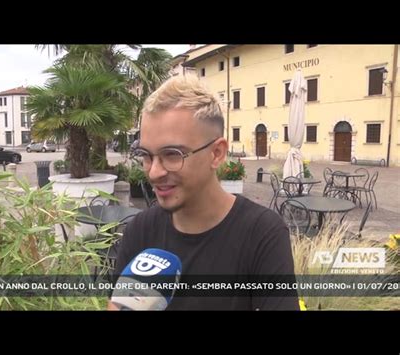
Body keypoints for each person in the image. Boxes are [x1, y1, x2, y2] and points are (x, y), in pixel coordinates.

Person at [109, 75, 299, 310]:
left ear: (217, 153)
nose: (154, 172)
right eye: (146, 155)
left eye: (172, 154)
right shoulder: (140, 230)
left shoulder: (262, 234)